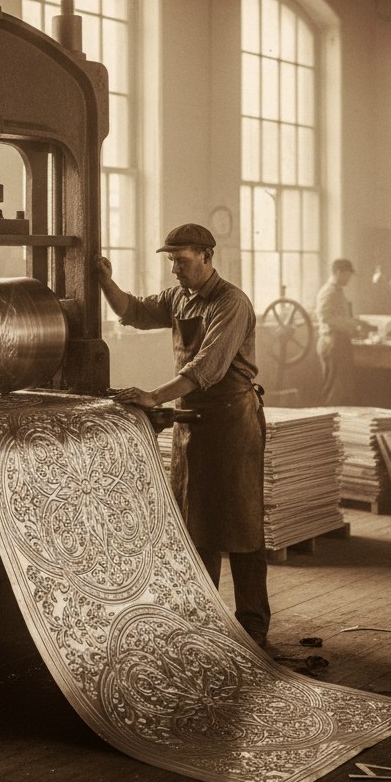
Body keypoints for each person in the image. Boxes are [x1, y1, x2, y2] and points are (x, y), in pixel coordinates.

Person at [95, 223, 270, 648]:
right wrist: (105, 281)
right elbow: (133, 312)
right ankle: (206, 620)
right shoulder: (179, 297)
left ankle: (252, 627)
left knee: (242, 524)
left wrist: (154, 396)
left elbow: (206, 369)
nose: (176, 269)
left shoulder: (231, 303)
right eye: (172, 261)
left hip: (232, 421)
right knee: (196, 522)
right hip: (193, 419)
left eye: (183, 261)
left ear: (208, 257)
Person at [315, 258, 375, 404]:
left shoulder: (337, 291)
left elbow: (340, 316)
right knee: (334, 389)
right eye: (348, 274)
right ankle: (329, 420)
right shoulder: (329, 291)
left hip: (340, 341)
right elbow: (326, 318)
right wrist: (353, 325)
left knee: (342, 388)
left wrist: (360, 323)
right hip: (332, 341)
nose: (349, 278)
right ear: (338, 272)